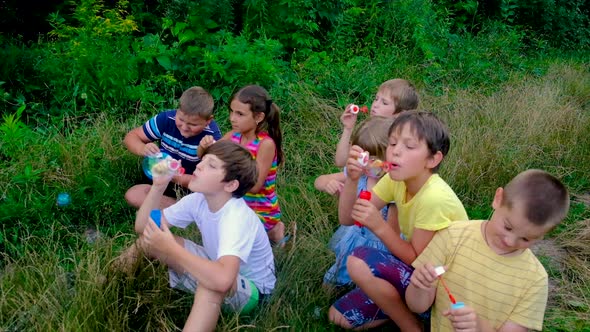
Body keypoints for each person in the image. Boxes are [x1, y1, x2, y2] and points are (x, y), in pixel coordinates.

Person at [329, 110, 468, 331]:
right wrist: (353, 181)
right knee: (339, 318)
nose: (395, 152)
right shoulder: (397, 181)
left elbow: (415, 258)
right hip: (416, 274)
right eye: (392, 144)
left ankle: (411, 325)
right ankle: (401, 308)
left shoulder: (434, 197)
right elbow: (347, 218)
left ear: (432, 159)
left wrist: (379, 226)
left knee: (359, 261)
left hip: (440, 284)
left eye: (409, 147)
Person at [116, 140, 276, 331]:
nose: (199, 166)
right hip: (218, 265)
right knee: (148, 241)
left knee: (211, 286)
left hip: (254, 291)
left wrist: (171, 249)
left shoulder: (235, 218)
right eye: (203, 161)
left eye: (211, 165)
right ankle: (109, 283)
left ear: (231, 185)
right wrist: (158, 187)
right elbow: (143, 227)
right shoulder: (197, 200)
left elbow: (223, 280)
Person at [406, 169, 569, 332]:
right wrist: (420, 286)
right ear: (498, 199)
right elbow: (417, 306)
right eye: (508, 227)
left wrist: (479, 327)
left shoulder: (535, 279)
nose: (509, 241)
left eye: (526, 239)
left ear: (542, 235)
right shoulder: (453, 236)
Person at [201, 85, 287, 245]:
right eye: (232, 111)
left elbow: (255, 186)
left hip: (260, 209)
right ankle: (273, 233)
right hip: (235, 203)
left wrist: (223, 177)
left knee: (232, 239)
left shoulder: (265, 144)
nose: (232, 118)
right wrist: (204, 147)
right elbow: (206, 158)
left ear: (258, 117)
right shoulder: (232, 136)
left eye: (240, 114)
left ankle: (274, 231)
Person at [315, 116, 395, 286]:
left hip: (381, 246)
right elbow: (319, 181)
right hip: (354, 236)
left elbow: (394, 234)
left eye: (373, 159)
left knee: (368, 286)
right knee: (330, 284)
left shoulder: (394, 186)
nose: (366, 165)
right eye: (363, 158)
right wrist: (330, 184)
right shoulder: (361, 175)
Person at [124, 86, 222, 209]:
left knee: (207, 198)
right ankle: (181, 209)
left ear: (208, 121)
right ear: (177, 110)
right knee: (133, 195)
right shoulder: (166, 120)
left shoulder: (211, 137)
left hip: (189, 187)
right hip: (160, 178)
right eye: (180, 119)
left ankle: (182, 208)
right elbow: (131, 137)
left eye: (193, 124)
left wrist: (177, 178)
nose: (185, 127)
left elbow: (211, 182)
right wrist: (142, 148)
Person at [334, 78, 419, 167]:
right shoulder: (370, 128)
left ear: (401, 114)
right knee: (322, 180)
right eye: (376, 99)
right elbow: (341, 161)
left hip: (370, 178)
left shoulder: (396, 139)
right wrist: (348, 128)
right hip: (359, 176)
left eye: (384, 103)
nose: (375, 105)